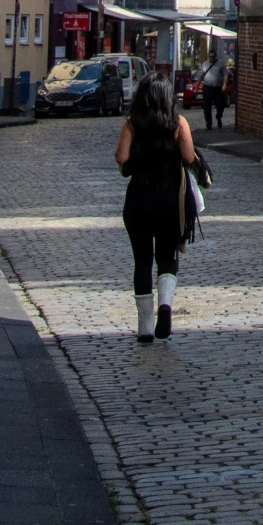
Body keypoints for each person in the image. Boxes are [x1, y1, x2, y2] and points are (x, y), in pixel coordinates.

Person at [115, 75, 196, 342]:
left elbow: (121, 158)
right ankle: (165, 305)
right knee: (166, 257)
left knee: (142, 261)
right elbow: (188, 157)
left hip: (138, 201)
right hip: (169, 202)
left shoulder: (132, 124)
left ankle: (145, 327)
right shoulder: (178, 123)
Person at [200, 51, 228, 132]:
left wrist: (224, 85)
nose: (211, 58)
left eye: (213, 56)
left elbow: (226, 75)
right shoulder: (205, 64)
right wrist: (197, 86)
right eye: (210, 56)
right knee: (206, 106)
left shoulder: (220, 64)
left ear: (215, 56)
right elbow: (201, 76)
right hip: (207, 88)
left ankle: (219, 116)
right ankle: (209, 124)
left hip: (218, 88)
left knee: (220, 105)